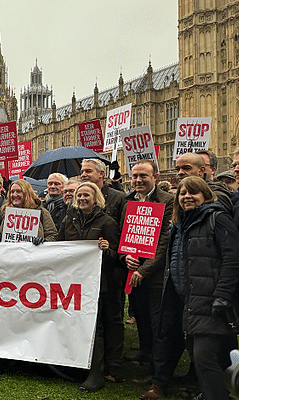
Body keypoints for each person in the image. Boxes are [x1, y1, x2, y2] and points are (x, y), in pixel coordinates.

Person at [141, 176, 238, 400]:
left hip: (210, 300)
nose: (187, 197)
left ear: (205, 195)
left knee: (204, 358)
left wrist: (222, 296)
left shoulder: (217, 219)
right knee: (201, 357)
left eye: (193, 192)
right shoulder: (178, 225)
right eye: (182, 193)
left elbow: (232, 259)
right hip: (187, 301)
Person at [56, 182, 120, 391]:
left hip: (97, 284)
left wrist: (107, 249)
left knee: (95, 326)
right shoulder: (69, 220)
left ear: (96, 199)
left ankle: (96, 373)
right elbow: (58, 246)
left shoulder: (107, 222)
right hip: (72, 283)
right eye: (79, 195)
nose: (82, 198)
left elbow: (117, 256)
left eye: (86, 195)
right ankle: (75, 365)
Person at [118, 160, 175, 382]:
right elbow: (124, 234)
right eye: (135, 176)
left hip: (156, 275)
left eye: (143, 176)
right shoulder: (128, 201)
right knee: (140, 316)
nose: (138, 180)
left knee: (157, 323)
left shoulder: (168, 201)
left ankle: (157, 373)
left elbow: (165, 240)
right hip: (133, 272)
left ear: (156, 177)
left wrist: (145, 269)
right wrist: (125, 257)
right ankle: (145, 354)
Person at [78, 158, 127, 378]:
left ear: (101, 173)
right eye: (82, 171)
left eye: (88, 171)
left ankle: (114, 364)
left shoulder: (119, 199)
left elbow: (125, 234)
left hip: (109, 271)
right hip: (82, 276)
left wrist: (119, 262)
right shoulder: (73, 216)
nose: (84, 174)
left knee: (111, 319)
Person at [0, 179, 58, 243]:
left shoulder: (42, 213)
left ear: (27, 193)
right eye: (12, 192)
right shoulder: (3, 213)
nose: (15, 195)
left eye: (18, 191)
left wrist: (44, 242)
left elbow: (52, 235)